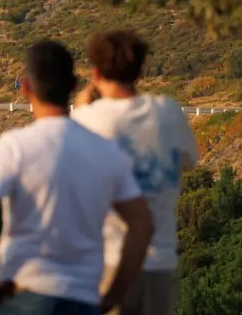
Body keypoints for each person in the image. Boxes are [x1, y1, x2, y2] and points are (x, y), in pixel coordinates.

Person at [0, 39, 154, 315]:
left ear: (26, 87)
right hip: (82, 299)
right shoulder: (106, 151)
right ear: (73, 85)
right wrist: (112, 295)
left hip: (23, 295)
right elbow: (142, 224)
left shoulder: (15, 147)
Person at [71, 30, 199, 315]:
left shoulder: (86, 119)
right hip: (161, 265)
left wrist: (81, 107)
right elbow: (188, 162)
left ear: (95, 73)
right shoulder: (169, 112)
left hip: (107, 264)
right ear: (140, 71)